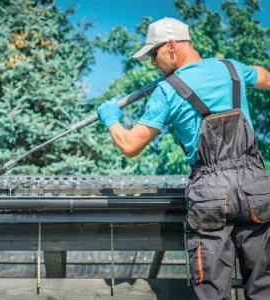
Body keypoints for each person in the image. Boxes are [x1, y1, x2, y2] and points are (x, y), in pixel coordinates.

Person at [97, 17, 270, 300]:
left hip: (211, 193)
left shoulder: (167, 90)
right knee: (265, 286)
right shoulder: (232, 69)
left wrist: (111, 120)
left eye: (154, 53)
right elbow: (265, 77)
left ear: (172, 46)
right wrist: (241, 72)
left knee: (212, 292)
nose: (153, 63)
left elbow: (130, 145)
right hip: (256, 186)